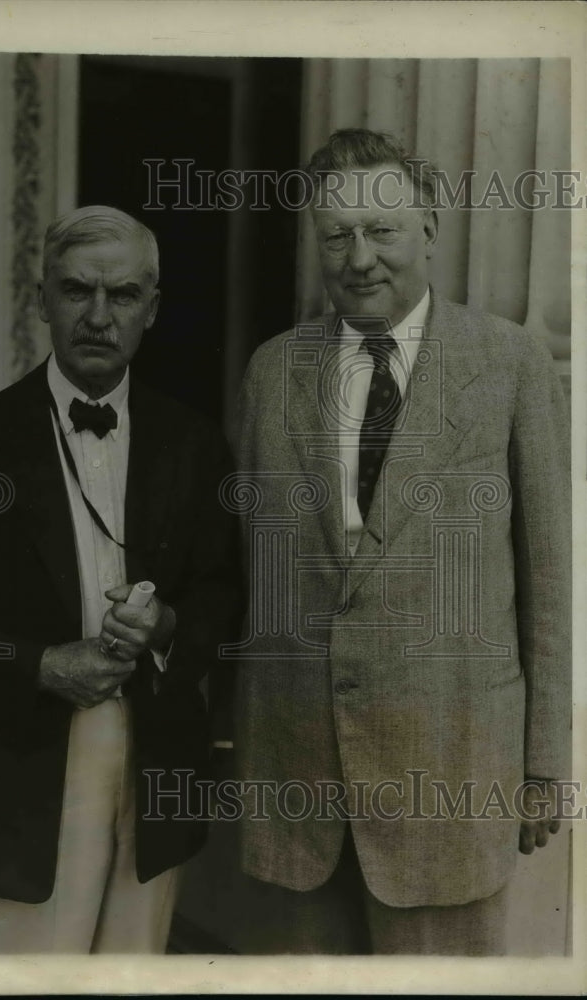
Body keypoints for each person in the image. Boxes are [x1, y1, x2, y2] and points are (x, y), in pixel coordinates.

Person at [234, 128, 571, 955]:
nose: (359, 258)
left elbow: (550, 580)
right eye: (336, 235)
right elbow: (256, 573)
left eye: (382, 230)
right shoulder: (274, 370)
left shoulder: (510, 361)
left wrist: (541, 769)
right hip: (298, 780)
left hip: (452, 773)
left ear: (428, 230)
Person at [0, 205, 241, 954]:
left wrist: (171, 628)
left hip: (155, 756)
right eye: (76, 290)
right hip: (23, 763)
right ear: (42, 298)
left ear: (152, 309)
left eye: (121, 296)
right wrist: (45, 666)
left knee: (135, 965)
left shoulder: (195, 443)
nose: (96, 315)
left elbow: (223, 593)